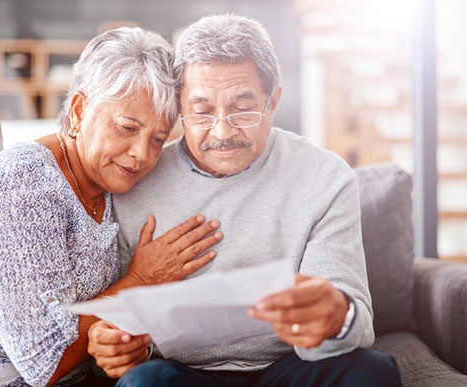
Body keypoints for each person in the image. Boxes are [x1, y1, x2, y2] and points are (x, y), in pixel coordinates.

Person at [0, 27, 223, 386]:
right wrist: (141, 280)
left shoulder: (108, 186)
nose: (142, 154)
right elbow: (45, 360)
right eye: (126, 127)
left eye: (157, 138)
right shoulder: (24, 183)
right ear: (78, 110)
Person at [87, 14, 402, 386]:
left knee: (372, 372)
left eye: (243, 108)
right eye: (202, 111)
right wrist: (117, 346)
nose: (222, 131)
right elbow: (120, 330)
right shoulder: (135, 179)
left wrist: (336, 315)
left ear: (273, 101)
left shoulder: (325, 177)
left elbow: (354, 323)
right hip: (183, 374)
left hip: (292, 366)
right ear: (179, 110)